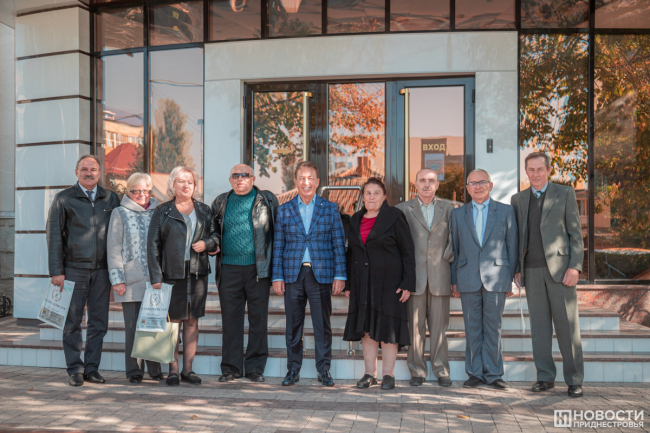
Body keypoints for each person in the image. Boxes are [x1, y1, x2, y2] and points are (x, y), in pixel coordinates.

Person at [511, 152, 584, 398]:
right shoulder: (518, 199)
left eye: (540, 169)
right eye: (531, 169)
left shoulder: (565, 193)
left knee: (567, 327)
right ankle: (544, 377)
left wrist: (575, 267)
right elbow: (517, 238)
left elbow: (575, 234)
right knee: (539, 328)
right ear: (526, 171)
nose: (536, 174)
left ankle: (574, 379)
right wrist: (517, 268)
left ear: (549, 170)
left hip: (562, 271)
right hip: (531, 271)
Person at [46, 155, 120, 386]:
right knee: (72, 322)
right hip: (73, 269)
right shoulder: (63, 198)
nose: (89, 173)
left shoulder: (111, 198)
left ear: (100, 172)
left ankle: (92, 369)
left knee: (99, 322)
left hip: (102, 271)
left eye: (93, 169)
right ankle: (74, 369)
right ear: (76, 172)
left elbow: (119, 234)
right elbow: (54, 235)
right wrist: (56, 270)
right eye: (84, 169)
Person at [272, 161, 346, 387]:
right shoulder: (284, 210)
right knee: (293, 325)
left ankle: (324, 370)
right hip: (292, 275)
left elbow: (338, 244)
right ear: (295, 181)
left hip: (320, 274)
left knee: (321, 325)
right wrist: (277, 276)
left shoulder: (330, 208)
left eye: (310, 178)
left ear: (318, 181)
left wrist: (340, 275)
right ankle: (293, 369)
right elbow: (278, 245)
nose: (306, 182)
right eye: (302, 178)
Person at [148, 166, 219, 386]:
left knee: (192, 321)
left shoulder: (204, 210)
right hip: (171, 274)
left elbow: (216, 235)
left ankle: (188, 370)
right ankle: (173, 370)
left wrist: (207, 243)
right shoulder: (162, 211)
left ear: (195, 186)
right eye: (181, 181)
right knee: (173, 323)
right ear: (173, 185)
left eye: (190, 182)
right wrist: (156, 277)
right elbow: (152, 245)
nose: (186, 185)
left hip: (197, 273)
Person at [344, 178, 415, 390]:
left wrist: (407, 282)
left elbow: (408, 251)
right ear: (363, 197)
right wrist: (349, 284)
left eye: (376, 193)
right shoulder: (355, 219)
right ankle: (369, 374)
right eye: (368, 193)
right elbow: (351, 254)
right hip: (362, 282)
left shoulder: (394, 216)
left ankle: (388, 375)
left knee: (388, 328)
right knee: (366, 328)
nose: (372, 197)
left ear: (384, 196)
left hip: (390, 283)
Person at [450, 169, 518, 391]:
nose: (478, 186)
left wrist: (510, 278)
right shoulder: (458, 214)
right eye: (473, 183)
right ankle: (475, 373)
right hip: (467, 277)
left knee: (493, 328)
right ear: (467, 188)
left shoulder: (506, 211)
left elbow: (512, 246)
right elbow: (455, 250)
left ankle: (494, 374)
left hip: (497, 278)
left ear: (490, 185)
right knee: (472, 328)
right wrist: (454, 280)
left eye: (482, 182)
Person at [210, 164, 278, 383]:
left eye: (245, 175)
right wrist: (213, 243)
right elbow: (213, 230)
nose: (240, 179)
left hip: (258, 269)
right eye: (235, 176)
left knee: (258, 320)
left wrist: (277, 271)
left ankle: (255, 368)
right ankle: (230, 368)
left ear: (253, 178)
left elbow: (277, 234)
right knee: (231, 321)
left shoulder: (266, 200)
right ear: (230, 180)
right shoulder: (220, 202)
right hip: (228, 269)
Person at [396, 169, 454, 387]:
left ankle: (441, 370)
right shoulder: (403, 210)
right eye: (423, 181)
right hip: (414, 278)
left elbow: (454, 241)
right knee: (415, 328)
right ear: (416, 184)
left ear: (437, 184)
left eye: (431, 181)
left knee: (440, 329)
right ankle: (417, 371)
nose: (427, 184)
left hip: (441, 275)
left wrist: (446, 259)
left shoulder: (448, 209)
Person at [107, 173, 163, 384]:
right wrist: (117, 279)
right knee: (132, 327)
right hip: (130, 279)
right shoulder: (119, 212)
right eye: (136, 191)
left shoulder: (158, 212)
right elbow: (113, 247)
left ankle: (154, 370)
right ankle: (134, 371)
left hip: (155, 278)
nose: (141, 195)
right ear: (128, 192)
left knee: (153, 325)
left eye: (145, 191)